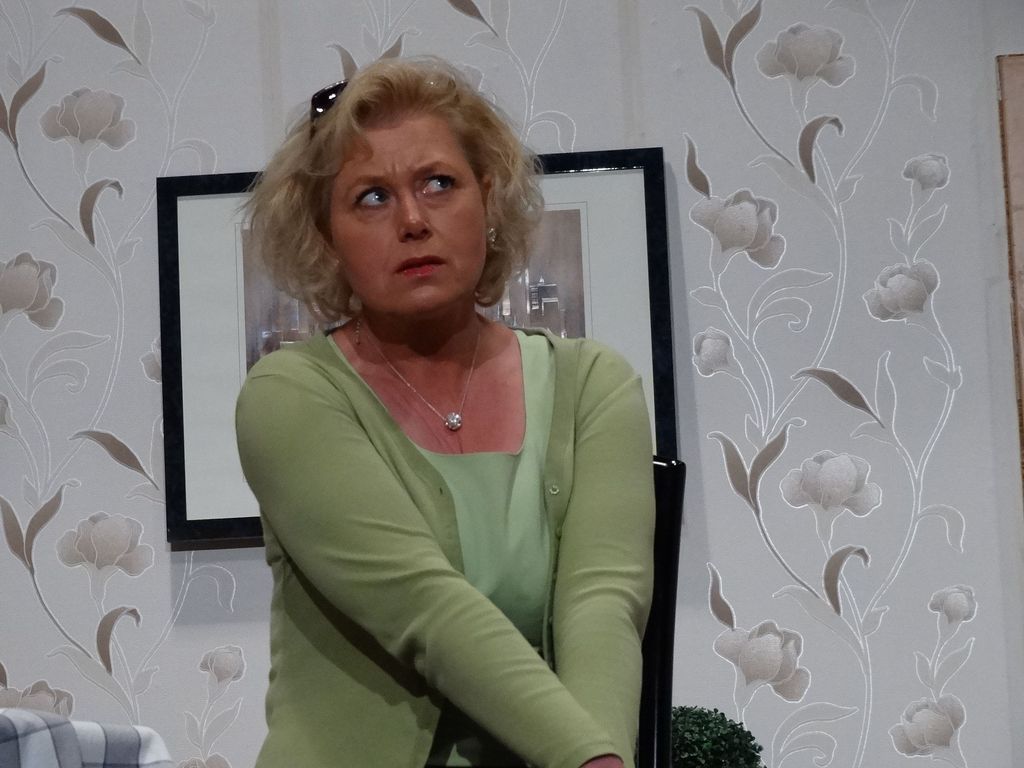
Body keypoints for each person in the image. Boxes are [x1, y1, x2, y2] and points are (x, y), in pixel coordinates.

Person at [235, 56, 655, 768]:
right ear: (326, 236)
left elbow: (602, 604)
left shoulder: (594, 386)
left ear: (486, 199)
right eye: (371, 197)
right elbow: (425, 608)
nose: (412, 220)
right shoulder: (288, 395)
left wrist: (600, 759)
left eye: (438, 183)